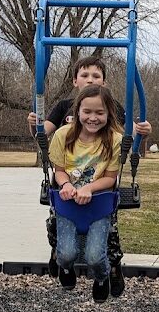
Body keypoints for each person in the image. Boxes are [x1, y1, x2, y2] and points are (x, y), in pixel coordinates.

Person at [27, 56, 152, 298]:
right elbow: (43, 136)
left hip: (100, 188)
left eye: (96, 76)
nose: (90, 80)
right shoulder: (64, 109)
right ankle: (61, 259)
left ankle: (109, 270)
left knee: (106, 239)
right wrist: (35, 125)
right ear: (75, 81)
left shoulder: (112, 108)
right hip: (66, 188)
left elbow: (128, 138)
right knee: (62, 238)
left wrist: (143, 132)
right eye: (85, 75)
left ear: (104, 83)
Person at [48, 84, 122, 303]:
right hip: (68, 202)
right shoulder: (63, 135)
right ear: (77, 111)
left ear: (109, 114)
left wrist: (88, 188)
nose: (93, 118)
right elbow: (59, 171)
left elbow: (110, 178)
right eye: (87, 112)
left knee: (94, 257)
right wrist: (66, 185)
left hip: (98, 205)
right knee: (66, 254)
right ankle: (66, 268)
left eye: (100, 113)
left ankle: (102, 278)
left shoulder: (114, 140)